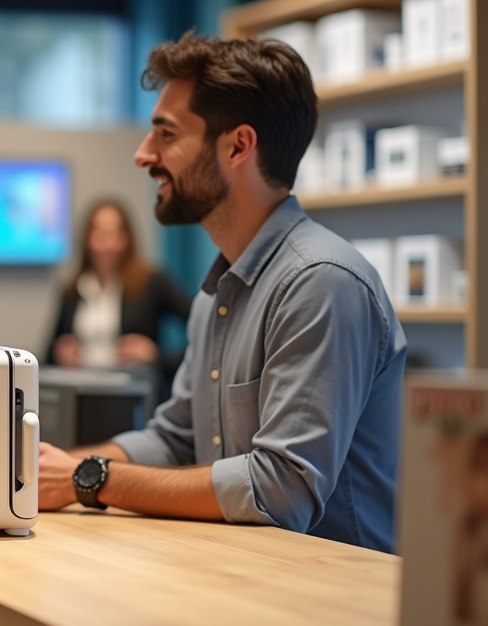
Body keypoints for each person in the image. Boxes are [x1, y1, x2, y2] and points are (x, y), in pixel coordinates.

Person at [38, 32, 406, 553]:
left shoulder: (322, 281)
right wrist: (51, 466)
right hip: (245, 577)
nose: (145, 156)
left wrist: (90, 478)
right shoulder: (217, 293)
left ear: (238, 146)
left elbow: (281, 490)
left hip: (335, 605)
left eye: (166, 134)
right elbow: (174, 439)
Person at [47, 199, 191, 382]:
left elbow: (203, 323)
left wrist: (159, 357)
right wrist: (60, 352)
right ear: (86, 238)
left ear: (126, 238)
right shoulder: (72, 289)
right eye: (98, 232)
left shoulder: (151, 283)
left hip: (133, 392)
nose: (105, 241)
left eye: (113, 232)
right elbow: (50, 350)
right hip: (81, 388)